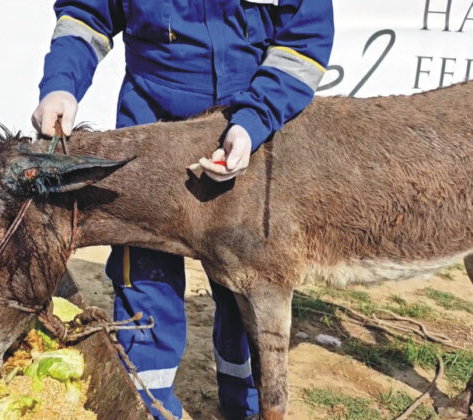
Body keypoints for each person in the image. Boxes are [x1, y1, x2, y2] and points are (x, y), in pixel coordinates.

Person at [32, 1, 334, 418]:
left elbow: (302, 42)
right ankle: (150, 408)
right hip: (152, 129)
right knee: (146, 277)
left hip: (245, 133)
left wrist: (254, 121)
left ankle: (244, 406)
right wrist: (61, 85)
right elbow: (87, 16)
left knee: (246, 286)